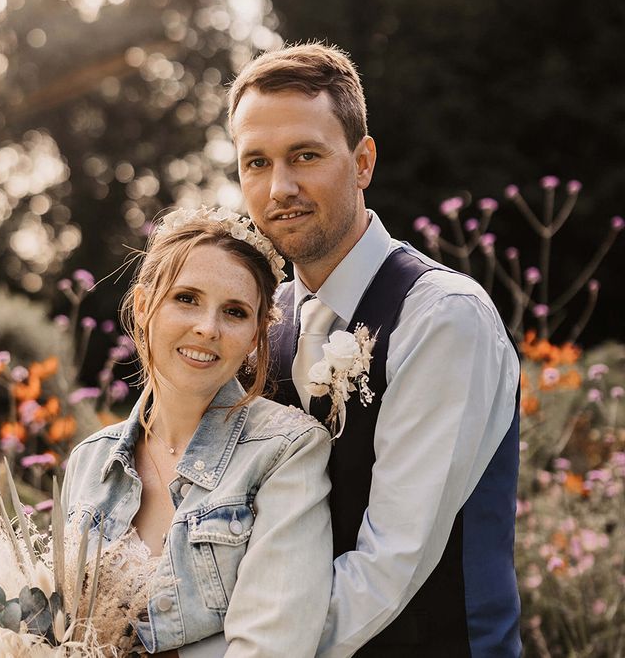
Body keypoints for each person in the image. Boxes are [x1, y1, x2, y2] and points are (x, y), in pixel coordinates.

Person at [186, 43, 522, 657]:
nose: (279, 187)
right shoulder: (264, 320)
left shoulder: (443, 318)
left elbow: (392, 558)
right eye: (255, 162)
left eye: (305, 156)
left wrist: (228, 650)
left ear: (363, 161)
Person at [61, 207, 333, 656]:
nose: (208, 328)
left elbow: (274, 643)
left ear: (255, 335)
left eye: (234, 312)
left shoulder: (286, 450)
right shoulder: (91, 460)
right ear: (145, 306)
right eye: (186, 298)